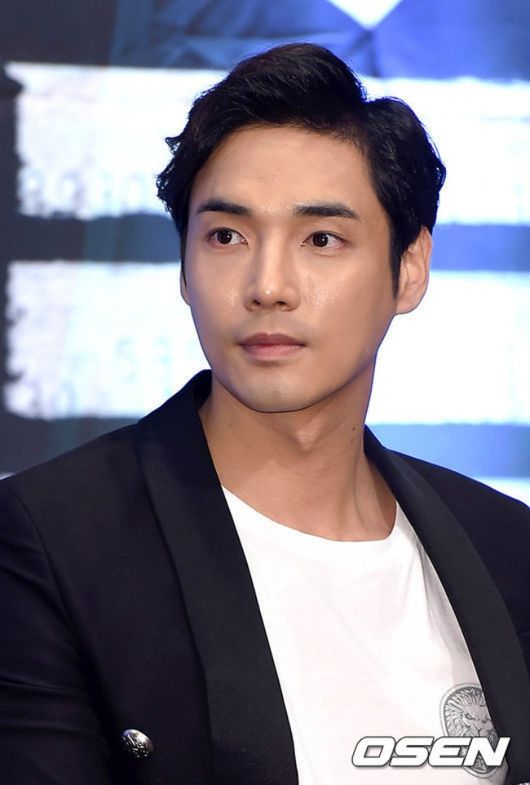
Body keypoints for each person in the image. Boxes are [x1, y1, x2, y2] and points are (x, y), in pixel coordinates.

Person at [0, 42, 529, 785]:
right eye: (227, 236)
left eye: (321, 239)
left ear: (409, 268)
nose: (268, 285)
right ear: (185, 267)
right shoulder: (55, 539)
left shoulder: (508, 549)